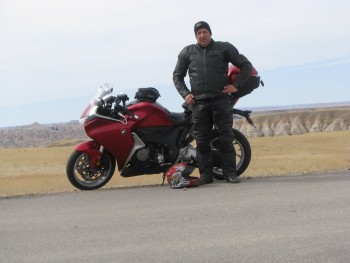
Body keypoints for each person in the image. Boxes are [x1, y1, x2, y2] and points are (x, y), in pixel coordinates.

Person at [173, 21, 253, 185]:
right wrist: (185, 94)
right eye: (199, 33)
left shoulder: (224, 48)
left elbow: (246, 65)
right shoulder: (187, 52)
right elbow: (177, 76)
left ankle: (230, 174)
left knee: (225, 138)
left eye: (204, 32)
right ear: (195, 36)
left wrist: (236, 86)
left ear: (210, 33)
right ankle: (206, 175)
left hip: (221, 101)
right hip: (199, 103)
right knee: (202, 141)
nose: (202, 35)